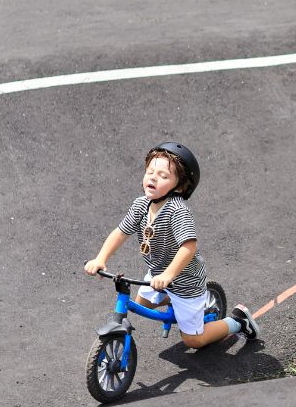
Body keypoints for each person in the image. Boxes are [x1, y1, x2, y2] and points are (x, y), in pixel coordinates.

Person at [84, 141, 259, 345]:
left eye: (163, 176)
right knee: (141, 305)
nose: (153, 178)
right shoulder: (141, 205)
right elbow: (120, 232)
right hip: (158, 274)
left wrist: (168, 275)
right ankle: (173, 301)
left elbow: (188, 247)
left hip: (185, 281)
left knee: (193, 340)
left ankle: (238, 322)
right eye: (150, 172)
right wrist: (101, 258)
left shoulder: (177, 211)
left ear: (180, 186)